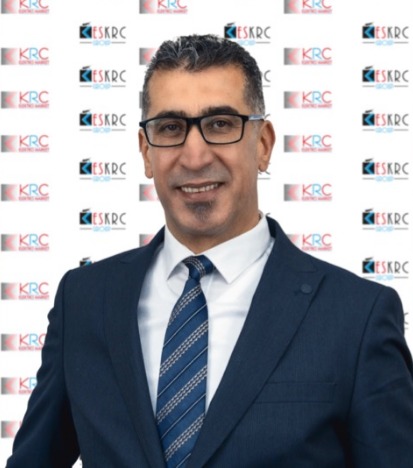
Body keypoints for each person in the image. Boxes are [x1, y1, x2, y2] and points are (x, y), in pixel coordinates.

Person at [6, 34, 413, 468]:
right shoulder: (84, 300)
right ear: (146, 152)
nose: (195, 157)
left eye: (220, 124)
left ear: (263, 144)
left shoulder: (357, 316)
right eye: (170, 128)